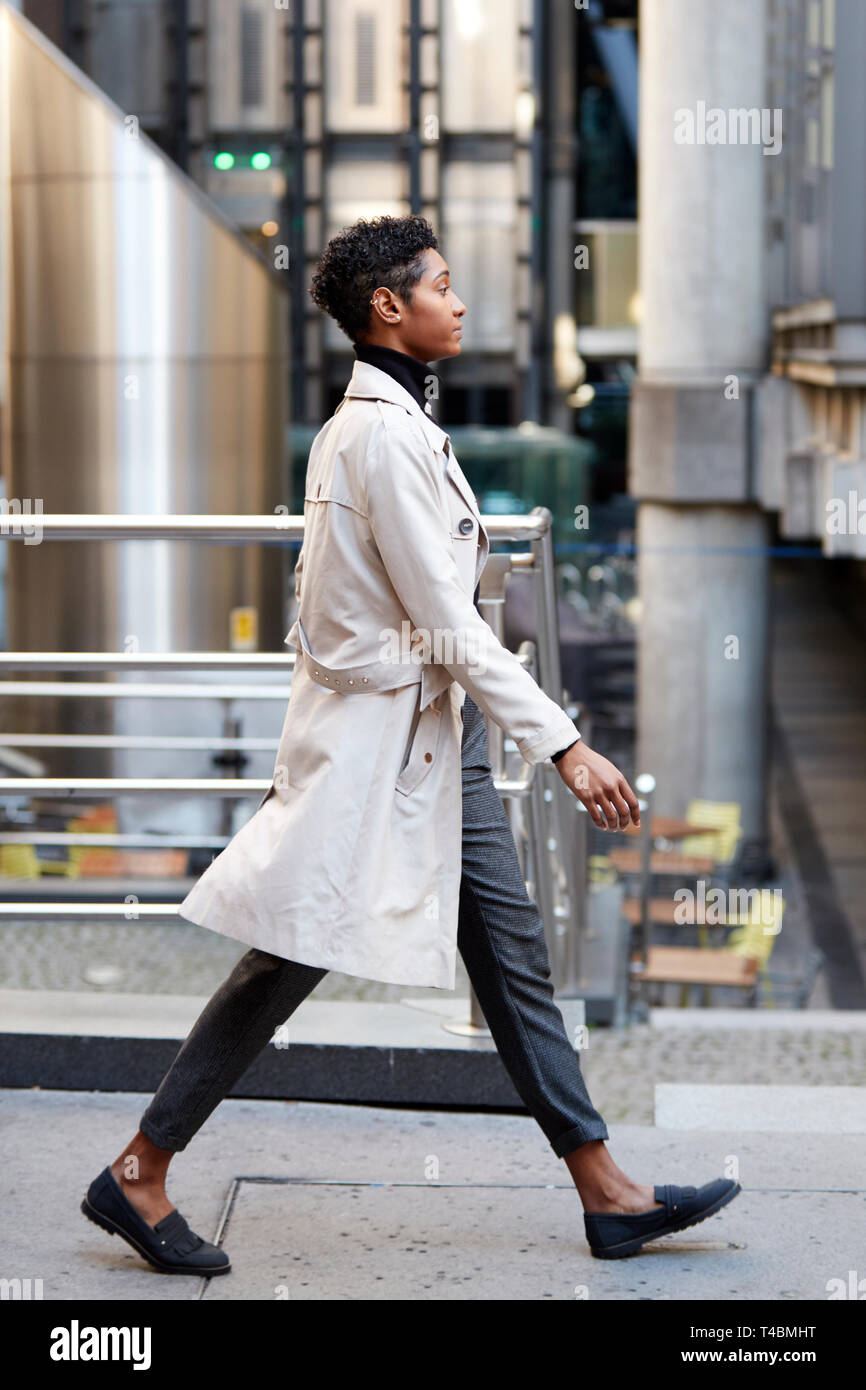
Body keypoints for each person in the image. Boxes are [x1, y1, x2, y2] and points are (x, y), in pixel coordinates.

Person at [80, 215, 740, 1275]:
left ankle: (606, 1189)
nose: (459, 299)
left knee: (511, 958)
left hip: (436, 740)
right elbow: (446, 617)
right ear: (389, 307)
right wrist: (565, 745)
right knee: (283, 960)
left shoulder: (398, 421)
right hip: (378, 746)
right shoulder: (379, 435)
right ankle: (140, 1168)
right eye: (442, 283)